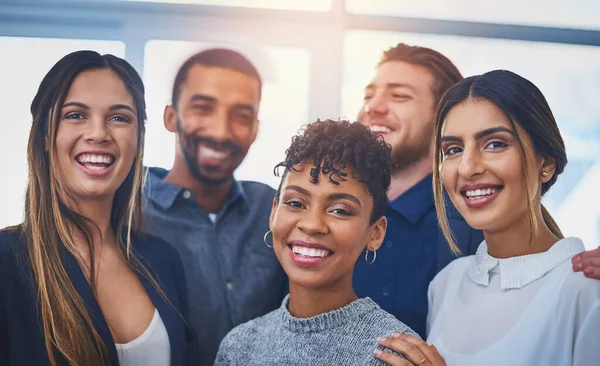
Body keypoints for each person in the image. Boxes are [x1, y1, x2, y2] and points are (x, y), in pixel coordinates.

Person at [354, 43, 600, 338]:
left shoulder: (582, 290)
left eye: (400, 96)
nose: (374, 106)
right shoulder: (447, 285)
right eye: (455, 148)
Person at [0, 51, 195, 366]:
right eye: (75, 114)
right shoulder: (6, 260)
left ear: (138, 140)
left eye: (119, 118)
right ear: (47, 136)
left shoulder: (163, 260)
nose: (99, 134)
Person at [213, 119, 419, 365]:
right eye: (296, 203)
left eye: (340, 210)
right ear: (273, 213)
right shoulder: (238, 347)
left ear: (375, 233)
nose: (311, 225)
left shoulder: (395, 356)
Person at [142, 48, 287, 365]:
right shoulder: (126, 213)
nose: (221, 132)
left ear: (255, 129)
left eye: (241, 116)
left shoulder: (276, 210)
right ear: (171, 117)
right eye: (203, 108)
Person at [353, 43, 484, 337]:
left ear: (443, 117)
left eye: (399, 95)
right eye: (368, 95)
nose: (373, 107)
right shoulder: (329, 214)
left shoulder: (475, 224)